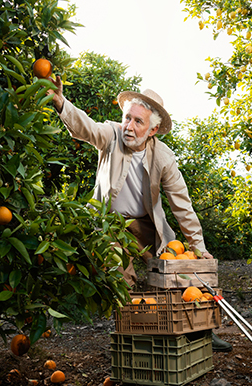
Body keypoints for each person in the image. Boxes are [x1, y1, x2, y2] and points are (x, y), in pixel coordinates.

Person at [49, 77, 232, 352]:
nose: (129, 127)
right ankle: (137, 333)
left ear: (153, 129)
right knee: (120, 274)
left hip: (146, 225)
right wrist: (61, 103)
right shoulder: (111, 136)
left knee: (183, 268)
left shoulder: (164, 158)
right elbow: (86, 128)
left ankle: (201, 331)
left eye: (138, 122)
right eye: (127, 118)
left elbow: (182, 205)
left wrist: (199, 247)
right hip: (109, 224)